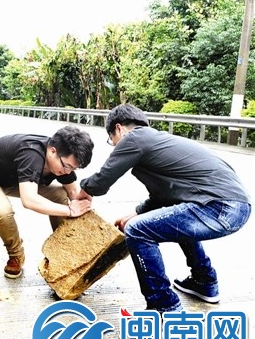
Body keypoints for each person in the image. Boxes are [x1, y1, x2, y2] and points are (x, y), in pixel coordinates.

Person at [77, 103, 252, 313]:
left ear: (119, 128)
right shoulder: (157, 141)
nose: (115, 146)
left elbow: (102, 181)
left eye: (112, 140)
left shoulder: (134, 138)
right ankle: (204, 282)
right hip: (237, 206)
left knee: (137, 230)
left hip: (219, 206)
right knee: (174, 215)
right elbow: (165, 197)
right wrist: (135, 212)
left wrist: (83, 191)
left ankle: (164, 304)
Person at [0, 125, 94, 278]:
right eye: (66, 166)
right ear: (52, 151)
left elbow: (73, 192)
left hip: (15, 181)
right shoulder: (31, 154)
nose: (67, 172)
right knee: (3, 211)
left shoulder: (62, 162)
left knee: (60, 194)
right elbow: (29, 200)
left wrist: (90, 220)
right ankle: (16, 255)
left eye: (73, 169)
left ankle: (63, 248)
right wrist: (70, 211)